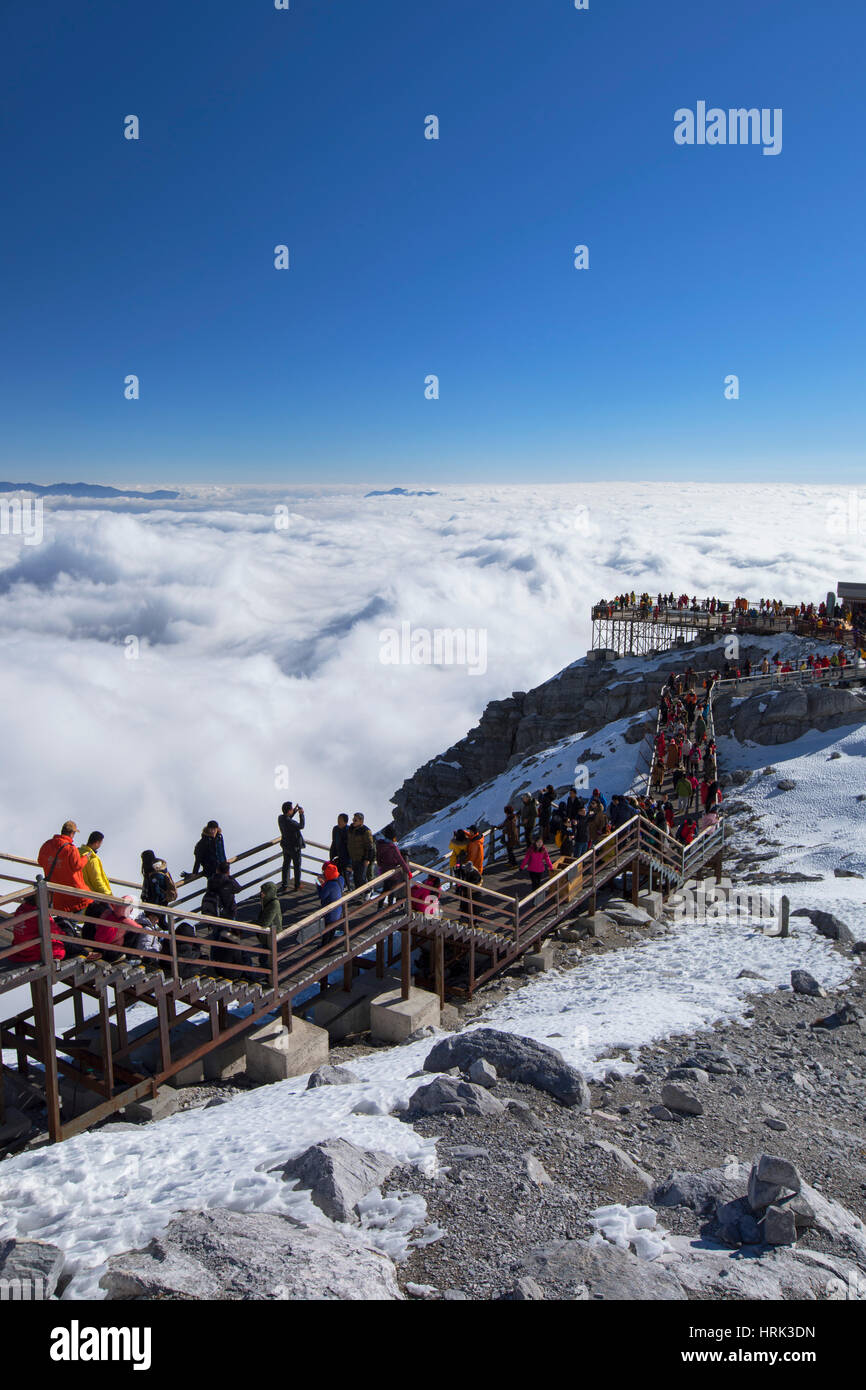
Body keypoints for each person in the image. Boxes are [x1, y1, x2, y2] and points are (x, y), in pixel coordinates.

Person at [37, 821, 92, 917]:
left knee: (61, 914)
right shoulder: (71, 848)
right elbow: (77, 866)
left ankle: (63, 927)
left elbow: (41, 861)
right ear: (72, 833)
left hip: (56, 892)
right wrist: (85, 858)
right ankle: (68, 928)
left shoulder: (47, 844)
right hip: (73, 891)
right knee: (86, 903)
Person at [8, 894, 66, 963]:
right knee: (60, 948)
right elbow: (55, 932)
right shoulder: (40, 913)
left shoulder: (21, 908)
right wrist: (64, 934)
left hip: (20, 949)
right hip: (33, 952)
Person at [376, 826, 412, 902]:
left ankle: (380, 906)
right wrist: (408, 871)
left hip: (383, 870)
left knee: (385, 889)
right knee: (392, 890)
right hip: (393, 871)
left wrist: (381, 865)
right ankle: (389, 906)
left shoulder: (380, 845)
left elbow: (378, 858)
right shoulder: (393, 847)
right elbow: (401, 860)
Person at [278, 802, 306, 892]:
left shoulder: (280, 818)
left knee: (286, 865)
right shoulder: (290, 822)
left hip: (286, 846)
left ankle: (284, 884)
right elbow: (301, 826)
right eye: (292, 808)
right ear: (289, 810)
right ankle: (297, 885)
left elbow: (287, 818)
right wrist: (301, 814)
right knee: (297, 866)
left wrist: (294, 811)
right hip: (294, 847)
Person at [316, 861, 345, 945]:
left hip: (330, 912)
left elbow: (322, 896)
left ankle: (324, 946)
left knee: (326, 929)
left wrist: (319, 884)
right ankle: (330, 943)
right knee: (333, 929)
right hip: (338, 910)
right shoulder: (341, 879)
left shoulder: (329, 885)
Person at [346, 812, 376, 891]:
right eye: (353, 819)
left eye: (355, 820)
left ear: (361, 821)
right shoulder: (351, 828)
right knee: (355, 877)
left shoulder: (366, 831)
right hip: (353, 857)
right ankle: (359, 895)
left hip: (361, 858)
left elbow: (369, 846)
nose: (353, 821)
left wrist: (367, 859)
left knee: (360, 878)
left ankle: (367, 892)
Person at [80, 832, 112, 901]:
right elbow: (97, 881)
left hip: (78, 892)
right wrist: (108, 895)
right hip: (89, 897)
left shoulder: (77, 852)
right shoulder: (92, 858)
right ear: (97, 843)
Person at [453, 849, 482, 920]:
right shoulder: (466, 869)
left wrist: (463, 886)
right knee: (464, 902)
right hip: (466, 889)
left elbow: (475, 883)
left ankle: (473, 919)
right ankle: (464, 915)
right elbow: (458, 868)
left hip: (474, 891)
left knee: (473, 905)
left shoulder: (475, 874)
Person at [329, 813, 351, 880]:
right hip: (336, 856)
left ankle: (346, 888)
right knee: (335, 874)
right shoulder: (335, 829)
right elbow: (334, 842)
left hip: (346, 858)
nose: (338, 821)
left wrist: (350, 862)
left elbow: (350, 846)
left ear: (345, 821)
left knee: (344, 876)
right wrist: (332, 855)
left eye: (340, 819)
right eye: (338, 819)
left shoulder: (349, 830)